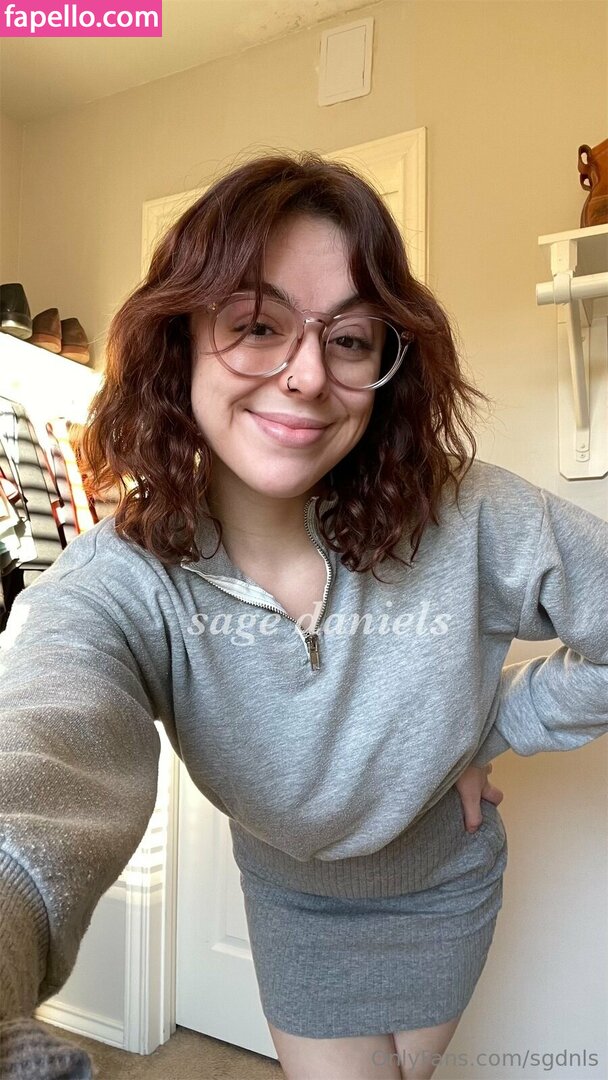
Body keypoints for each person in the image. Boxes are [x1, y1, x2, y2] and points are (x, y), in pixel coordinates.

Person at [0, 151, 606, 1080]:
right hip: (297, 907)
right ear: (181, 341)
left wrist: (491, 725)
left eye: (350, 339)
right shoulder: (122, 578)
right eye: (256, 324)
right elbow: (45, 745)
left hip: (447, 883)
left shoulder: (471, 513)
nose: (307, 375)